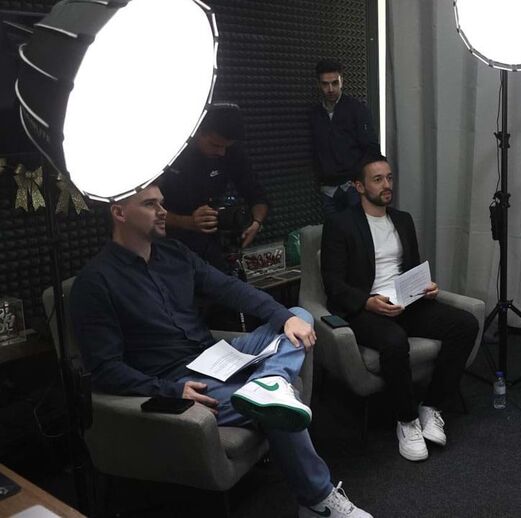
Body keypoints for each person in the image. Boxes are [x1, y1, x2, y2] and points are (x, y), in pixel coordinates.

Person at [70, 183, 371, 518]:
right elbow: (105, 369)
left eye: (162, 203)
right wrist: (171, 390)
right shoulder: (94, 283)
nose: (163, 211)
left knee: (298, 316)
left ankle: (269, 381)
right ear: (119, 213)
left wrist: (283, 317)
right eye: (150, 204)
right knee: (277, 407)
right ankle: (318, 499)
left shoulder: (175, 253)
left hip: (216, 354)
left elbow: (229, 288)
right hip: (178, 377)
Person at [321, 154, 479, 462]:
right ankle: (406, 421)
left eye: (389, 178)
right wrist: (367, 302)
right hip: (366, 308)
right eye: (378, 179)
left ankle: (431, 406)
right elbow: (333, 283)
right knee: (394, 341)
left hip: (405, 302)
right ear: (359, 186)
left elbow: (410, 269)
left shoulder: (402, 219)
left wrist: (425, 287)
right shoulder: (340, 224)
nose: (387, 185)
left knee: (465, 324)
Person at [159, 102, 268, 273]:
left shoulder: (231, 151)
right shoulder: (169, 153)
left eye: (226, 146)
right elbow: (141, 212)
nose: (221, 152)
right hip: (169, 246)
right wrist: (188, 222)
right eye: (215, 145)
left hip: (212, 245)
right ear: (198, 132)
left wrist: (256, 222)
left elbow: (256, 193)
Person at [308, 60, 379, 218]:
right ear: (319, 84)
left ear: (342, 81)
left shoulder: (357, 109)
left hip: (353, 187)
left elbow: (371, 148)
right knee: (334, 231)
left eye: (335, 83)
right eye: (325, 84)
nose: (330, 89)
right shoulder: (315, 114)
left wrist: (359, 180)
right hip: (328, 189)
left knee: (358, 229)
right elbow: (314, 151)